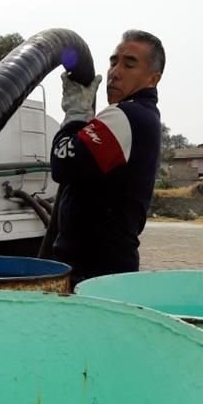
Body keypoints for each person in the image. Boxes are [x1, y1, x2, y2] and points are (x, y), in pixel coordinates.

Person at [49, 29, 164, 287]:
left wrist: (75, 115)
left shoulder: (127, 115)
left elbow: (62, 164)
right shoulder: (142, 117)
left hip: (94, 273)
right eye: (113, 62)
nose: (115, 72)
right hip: (106, 269)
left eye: (129, 64)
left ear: (152, 79)